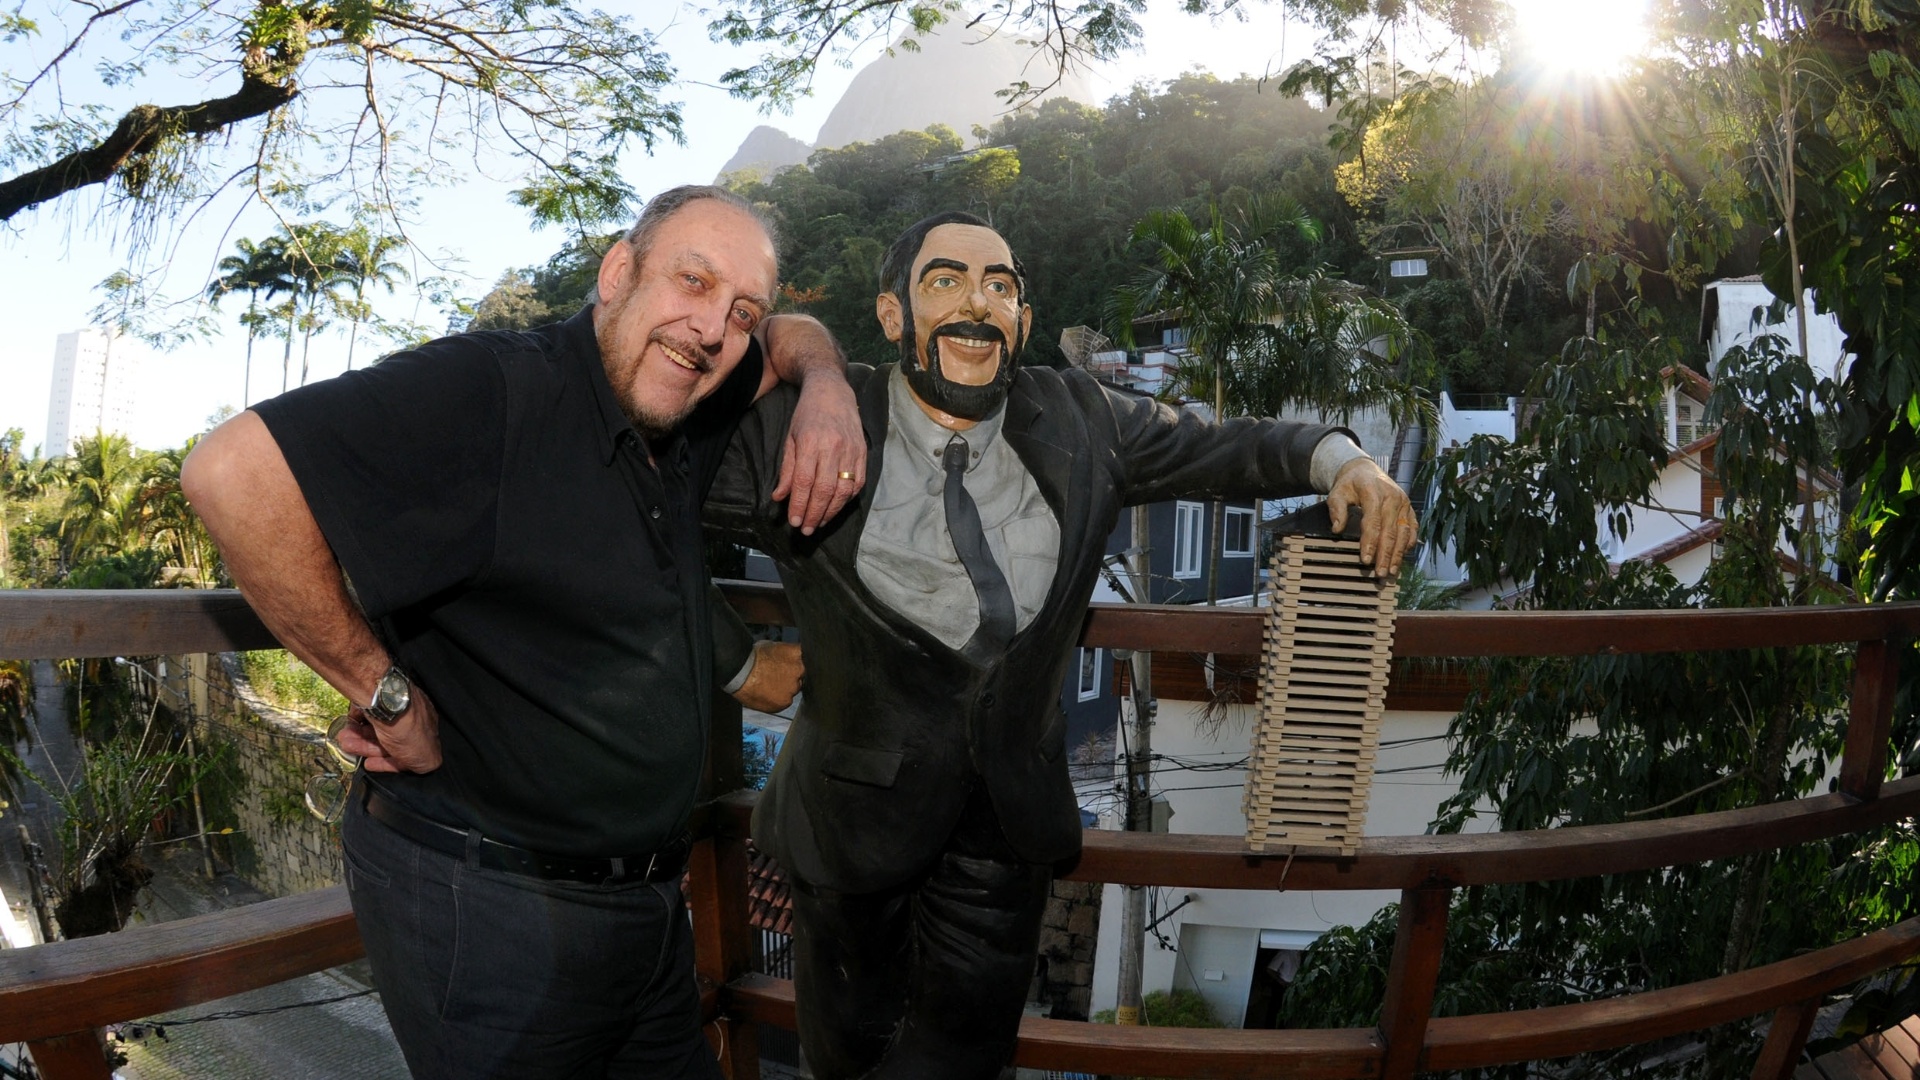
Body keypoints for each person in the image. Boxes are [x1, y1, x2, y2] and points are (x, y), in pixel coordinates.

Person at [704, 210, 1418, 1080]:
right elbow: (634, 509)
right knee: (846, 1060)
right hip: (850, 828)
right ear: (892, 316)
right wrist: (736, 660)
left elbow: (1229, 445)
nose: (977, 304)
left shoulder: (1082, 419)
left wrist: (1345, 462)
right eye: (945, 281)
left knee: (970, 1058)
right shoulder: (815, 421)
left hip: (1004, 829)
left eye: (999, 287)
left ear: (1025, 322)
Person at [181, 185, 866, 1079]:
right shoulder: (500, 389)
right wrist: (382, 692)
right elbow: (231, 472)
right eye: (690, 282)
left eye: (737, 309)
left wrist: (828, 387)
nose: (710, 328)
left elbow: (786, 339)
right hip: (490, 903)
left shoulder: (685, 397)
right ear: (617, 272)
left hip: (644, 910)